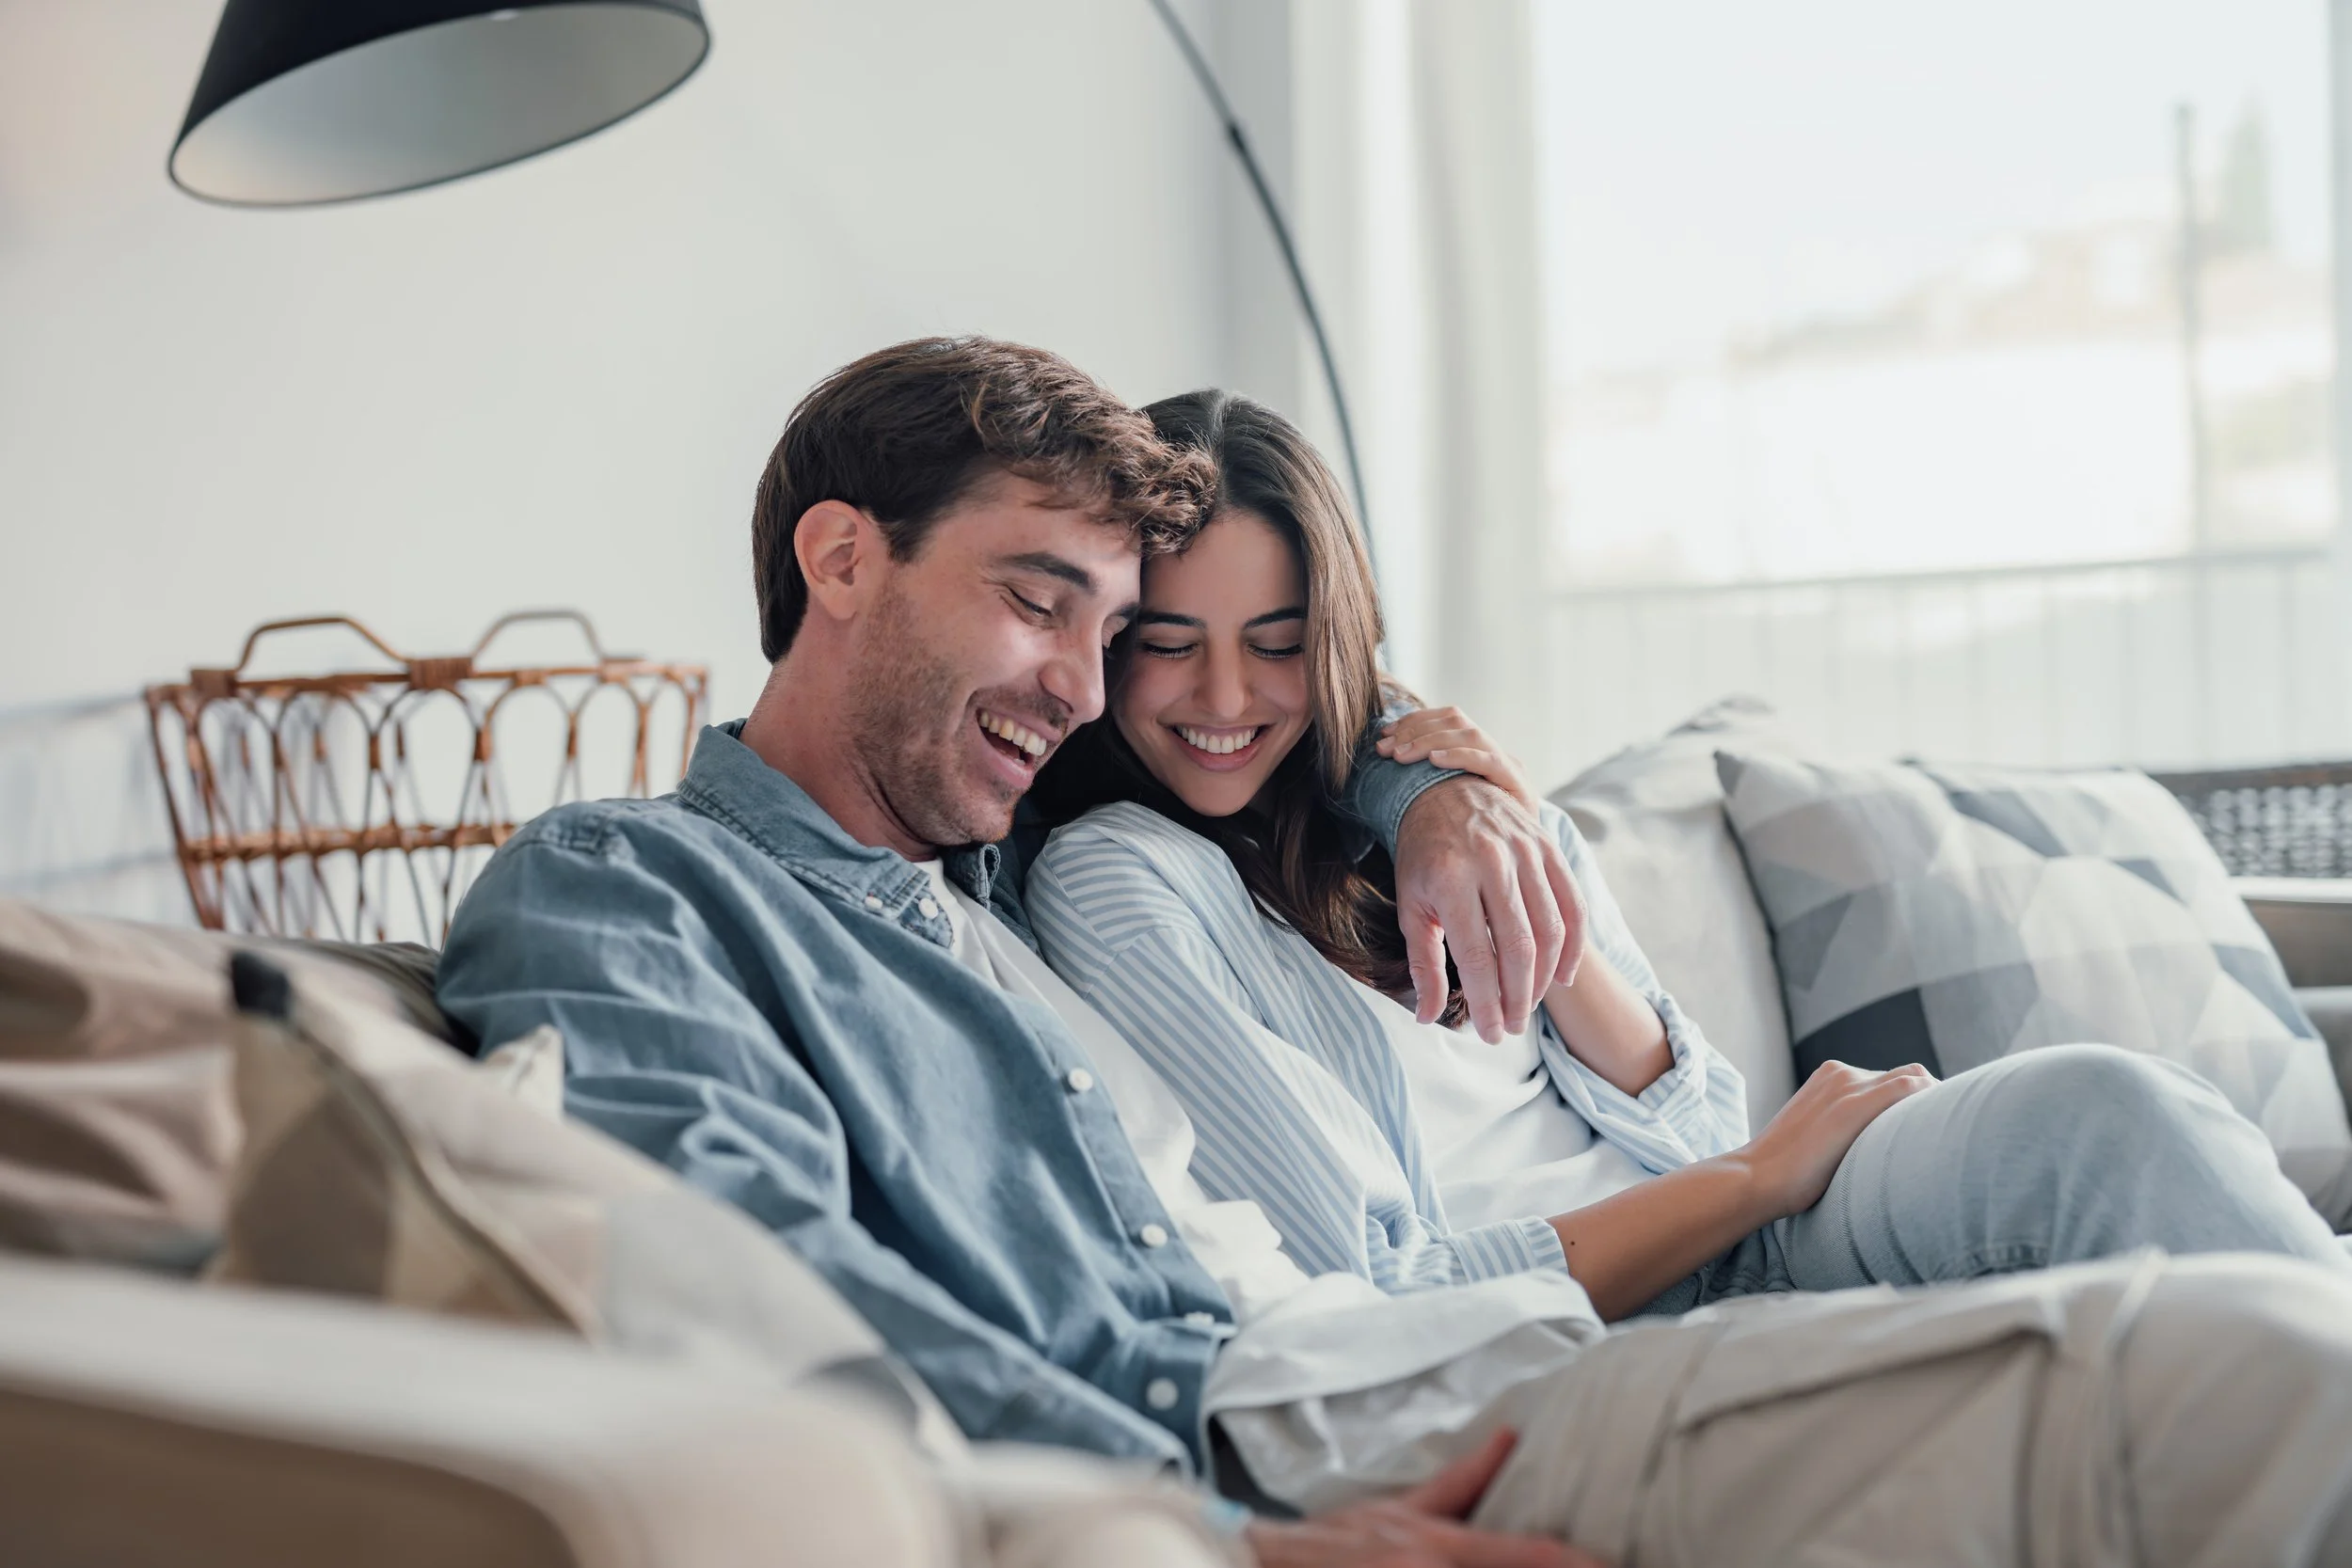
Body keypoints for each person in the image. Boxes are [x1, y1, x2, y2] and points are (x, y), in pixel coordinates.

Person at [437, 336, 2352, 1566]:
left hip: (1372, 1366)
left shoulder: (973, 873)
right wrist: (1207, 1537)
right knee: (2254, 1369)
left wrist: (1421, 779)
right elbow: (743, 1284)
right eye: (1046, 602)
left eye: (1107, 624)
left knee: (2165, 1215)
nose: (1090, 684)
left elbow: (1268, 730)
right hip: (1324, 1417)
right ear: (839, 561)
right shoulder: (630, 888)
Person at [1019, 388, 2352, 1323]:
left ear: (1336, 638)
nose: (1225, 698)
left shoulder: (1422, 795)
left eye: (1277, 641)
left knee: (2113, 1110)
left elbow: (1698, 1113)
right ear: (1107, 638)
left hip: (1754, 1228)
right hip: (1624, 1298)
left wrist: (1499, 858)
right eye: (1167, 642)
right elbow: (1379, 1282)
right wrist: (1756, 1178)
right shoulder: (1124, 881)